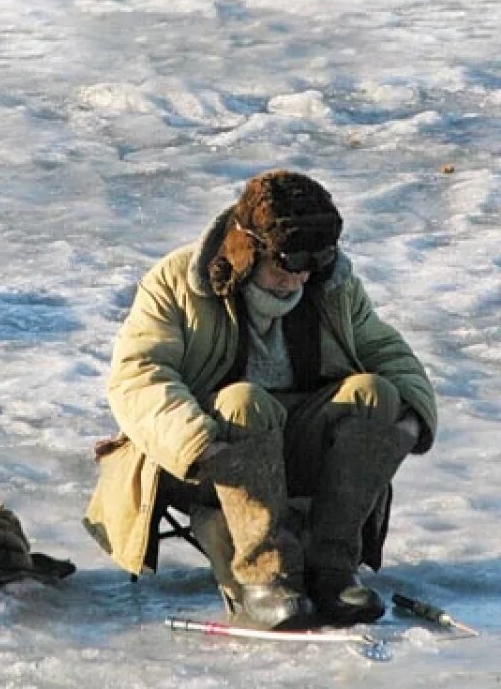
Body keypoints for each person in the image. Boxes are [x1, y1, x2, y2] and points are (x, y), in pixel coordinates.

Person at [83, 170, 437, 630]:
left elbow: (388, 351)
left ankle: (333, 571)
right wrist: (197, 442)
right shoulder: (175, 282)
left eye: (312, 263)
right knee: (245, 401)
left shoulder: (332, 288)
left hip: (290, 450)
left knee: (374, 394)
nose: (296, 278)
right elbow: (137, 376)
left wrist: (412, 420)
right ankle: (267, 578)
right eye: (285, 262)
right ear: (247, 249)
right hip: (204, 456)